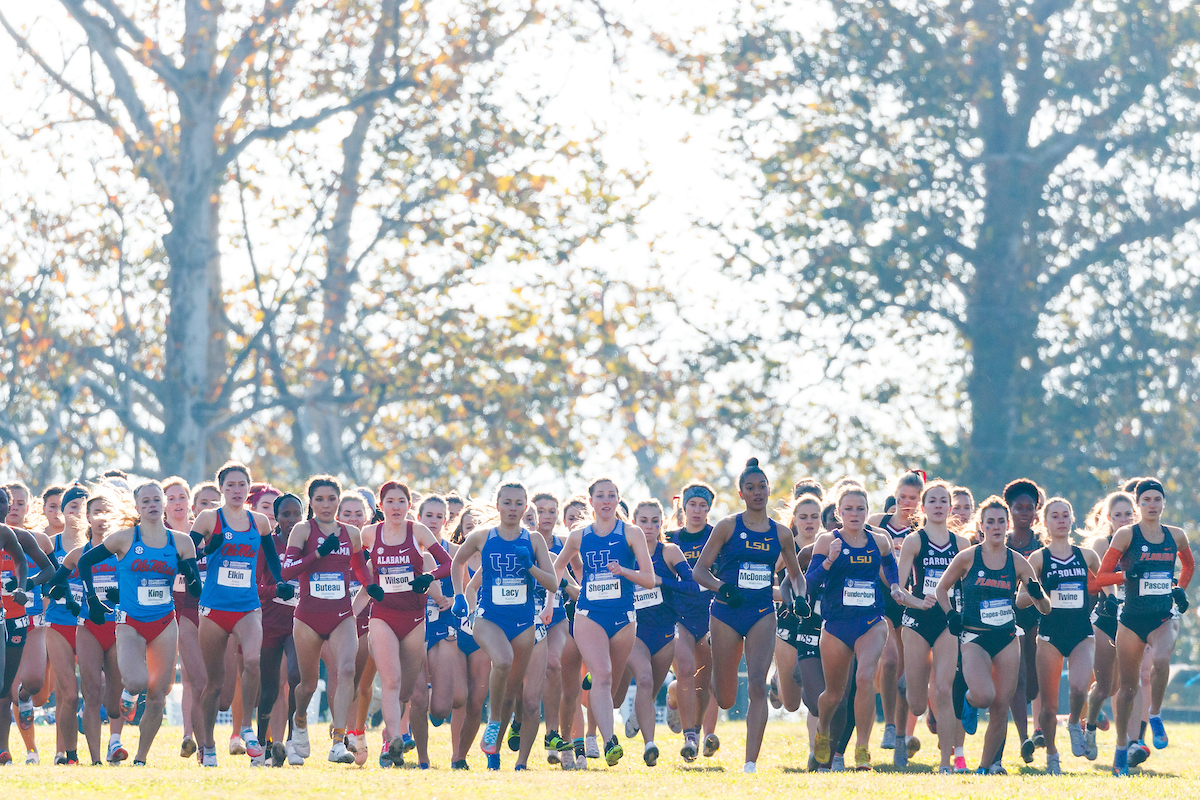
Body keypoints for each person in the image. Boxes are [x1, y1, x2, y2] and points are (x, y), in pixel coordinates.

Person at [75, 481, 202, 765]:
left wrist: (189, 573)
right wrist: (93, 599)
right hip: (130, 622)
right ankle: (128, 696)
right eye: (146, 502)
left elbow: (196, 591)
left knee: (158, 693)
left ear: (164, 504)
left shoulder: (181, 542)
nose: (152, 506)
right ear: (137, 507)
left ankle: (141, 758)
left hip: (164, 623)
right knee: (136, 681)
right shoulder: (124, 539)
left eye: (157, 500)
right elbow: (85, 563)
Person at [694, 459, 805, 773]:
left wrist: (799, 598)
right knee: (726, 697)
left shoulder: (782, 534)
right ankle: (699, 696)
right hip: (727, 612)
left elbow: (796, 576)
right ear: (741, 493)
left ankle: (750, 763)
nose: (757, 492)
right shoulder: (728, 526)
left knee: (756, 685)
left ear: (769, 489)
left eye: (762, 487)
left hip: (761, 613)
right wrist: (722, 588)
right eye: (750, 488)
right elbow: (700, 571)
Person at [937, 495, 1050, 774]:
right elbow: (941, 589)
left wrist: (1037, 594)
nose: (996, 526)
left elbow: (1045, 608)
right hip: (974, 638)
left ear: (1008, 525)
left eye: (1001, 521)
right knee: (985, 696)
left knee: (1001, 705)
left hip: (1007, 638)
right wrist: (951, 614)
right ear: (981, 526)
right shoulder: (967, 557)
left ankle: (984, 768)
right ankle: (969, 700)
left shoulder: (1018, 562)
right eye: (991, 522)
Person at [451, 483, 557, 770]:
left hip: (523, 623)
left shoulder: (534, 541)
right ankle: (494, 722)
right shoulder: (483, 536)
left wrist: (530, 568)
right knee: (503, 661)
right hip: (488, 618)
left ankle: (494, 752)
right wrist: (460, 597)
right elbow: (456, 563)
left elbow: (553, 583)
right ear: (497, 505)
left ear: (525, 507)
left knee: (512, 692)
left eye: (518, 503)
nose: (513, 508)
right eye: (507, 502)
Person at [554, 478, 656, 768]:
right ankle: (609, 741)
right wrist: (562, 592)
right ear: (592, 502)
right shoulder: (579, 535)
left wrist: (623, 570)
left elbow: (649, 580)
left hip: (624, 618)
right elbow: (557, 567)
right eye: (600, 496)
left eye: (612, 495)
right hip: (589, 615)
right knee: (603, 674)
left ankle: (596, 723)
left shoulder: (631, 533)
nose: (606, 500)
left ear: (618, 499)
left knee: (612, 689)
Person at [1094, 478, 1192, 776]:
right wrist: (1127, 575)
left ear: (1164, 504)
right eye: (1146, 500)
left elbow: (1188, 566)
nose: (1152, 505)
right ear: (1138, 505)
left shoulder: (1176, 536)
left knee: (1161, 660)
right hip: (1132, 617)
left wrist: (1179, 589)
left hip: (1164, 614)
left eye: (1157, 500)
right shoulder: (1125, 535)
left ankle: (1155, 714)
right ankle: (1122, 746)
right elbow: (1101, 576)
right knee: (1126, 689)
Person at [189, 463, 285, 766]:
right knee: (214, 684)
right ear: (221, 488)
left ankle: (246, 729)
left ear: (249, 487)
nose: (236, 490)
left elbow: (271, 558)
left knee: (253, 662)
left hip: (248, 606)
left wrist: (280, 582)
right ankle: (208, 745)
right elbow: (186, 558)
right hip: (213, 608)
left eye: (241, 484)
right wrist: (207, 551)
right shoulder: (208, 518)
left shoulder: (259, 522)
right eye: (230, 485)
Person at [807, 483, 903, 771]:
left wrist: (896, 585)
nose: (855, 514)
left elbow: (890, 565)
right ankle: (823, 733)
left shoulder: (880, 539)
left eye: (860, 508)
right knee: (834, 694)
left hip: (872, 621)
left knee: (864, 678)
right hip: (836, 625)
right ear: (838, 512)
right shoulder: (827, 541)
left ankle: (863, 748)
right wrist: (830, 561)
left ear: (867, 511)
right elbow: (810, 582)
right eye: (848, 509)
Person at [281, 475, 375, 765]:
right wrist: (319, 553)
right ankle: (298, 722)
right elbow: (287, 571)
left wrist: (372, 587)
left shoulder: (351, 533)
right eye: (319, 499)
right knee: (308, 685)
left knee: (347, 671)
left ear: (339, 499)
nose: (326, 504)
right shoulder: (302, 530)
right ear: (311, 501)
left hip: (341, 615)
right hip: (308, 617)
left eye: (331, 498)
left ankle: (338, 740)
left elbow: (359, 569)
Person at [361, 481, 451, 766]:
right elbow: (353, 561)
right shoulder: (369, 533)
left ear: (409, 506)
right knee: (390, 680)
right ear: (380, 505)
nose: (396, 507)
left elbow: (448, 562)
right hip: (383, 615)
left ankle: (391, 733)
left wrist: (430, 577)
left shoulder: (418, 531)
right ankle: (394, 740)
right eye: (390, 501)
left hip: (413, 618)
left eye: (401, 501)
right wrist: (368, 582)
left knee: (407, 688)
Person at [895, 480, 971, 772]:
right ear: (923, 508)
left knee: (945, 689)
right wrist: (917, 602)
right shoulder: (915, 541)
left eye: (943, 501)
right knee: (916, 704)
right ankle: (921, 694)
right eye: (933, 501)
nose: (938, 506)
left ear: (951, 508)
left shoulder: (962, 545)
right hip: (917, 621)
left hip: (947, 621)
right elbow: (899, 590)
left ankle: (945, 764)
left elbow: (968, 589)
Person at [1026, 497, 1100, 774]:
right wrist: (1037, 594)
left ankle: (1073, 724)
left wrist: (1113, 600)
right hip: (1050, 635)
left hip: (1082, 632)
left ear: (1072, 519)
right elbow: (1021, 598)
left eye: (1065, 515)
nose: (1060, 520)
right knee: (1048, 707)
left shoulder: (1087, 555)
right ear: (1045, 523)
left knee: (1080, 689)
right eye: (1054, 516)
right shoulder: (1038, 558)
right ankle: (1052, 755)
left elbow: (1105, 581)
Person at [620, 499, 695, 766]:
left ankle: (638, 716)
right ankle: (650, 745)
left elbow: (692, 586)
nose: (649, 527)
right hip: (634, 630)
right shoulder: (625, 552)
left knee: (649, 690)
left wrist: (659, 580)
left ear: (662, 523)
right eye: (643, 521)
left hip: (665, 631)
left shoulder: (670, 552)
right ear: (634, 523)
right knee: (644, 679)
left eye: (655, 521)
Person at [867, 470, 924, 758]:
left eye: (913, 499)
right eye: (902, 497)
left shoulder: (925, 529)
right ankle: (889, 724)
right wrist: (890, 580)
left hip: (913, 603)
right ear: (894, 494)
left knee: (904, 674)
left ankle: (901, 738)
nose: (907, 503)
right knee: (888, 660)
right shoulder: (878, 523)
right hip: (883, 599)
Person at [1, 482, 55, 766]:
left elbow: (52, 573)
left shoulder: (31, 539)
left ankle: (23, 698)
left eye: (19, 504)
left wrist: (29, 587)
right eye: (12, 503)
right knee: (5, 686)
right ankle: (16, 750)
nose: (13, 509)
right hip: (3, 621)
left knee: (33, 685)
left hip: (29, 620)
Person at [409, 494, 462, 769]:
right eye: (429, 515)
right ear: (419, 517)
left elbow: (469, 587)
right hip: (414, 624)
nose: (434, 521)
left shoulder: (453, 552)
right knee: (418, 699)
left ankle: (424, 692)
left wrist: (454, 599)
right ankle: (423, 758)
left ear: (446, 520)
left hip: (444, 625)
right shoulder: (406, 547)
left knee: (440, 708)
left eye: (439, 517)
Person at [666, 482, 718, 761]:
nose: (697, 510)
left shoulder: (717, 537)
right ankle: (690, 735)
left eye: (703, 505)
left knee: (705, 682)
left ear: (709, 509)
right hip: (679, 616)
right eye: (693, 504)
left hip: (711, 616)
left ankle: (701, 733)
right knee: (686, 671)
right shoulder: (670, 539)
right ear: (683, 507)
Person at [1082, 491, 1136, 759]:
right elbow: (1095, 582)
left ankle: (1126, 740)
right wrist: (1120, 581)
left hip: (1132, 620)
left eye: (1128, 514)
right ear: (1108, 518)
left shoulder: (1142, 542)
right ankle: (1090, 728)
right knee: (1104, 687)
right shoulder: (1102, 544)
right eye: (1118, 515)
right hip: (1105, 618)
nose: (1123, 519)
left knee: (1118, 687)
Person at [41, 485, 89, 765]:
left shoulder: (99, 546)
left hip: (89, 625)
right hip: (58, 622)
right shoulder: (52, 544)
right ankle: (64, 752)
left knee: (92, 691)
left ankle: (91, 742)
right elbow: (45, 584)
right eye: (72, 506)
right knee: (66, 693)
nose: (77, 512)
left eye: (82, 507)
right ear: (63, 510)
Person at [1003, 478, 1046, 766]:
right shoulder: (999, 541)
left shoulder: (1042, 545)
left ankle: (1040, 729)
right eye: (1018, 507)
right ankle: (1023, 740)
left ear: (1035, 511)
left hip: (1037, 617)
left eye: (1029, 508)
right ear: (1009, 509)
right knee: (1017, 680)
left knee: (1033, 682)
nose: (1023, 513)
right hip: (1004, 616)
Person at [258, 493, 303, 766]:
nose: (291, 519)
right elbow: (256, 585)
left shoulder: (309, 545)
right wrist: (277, 589)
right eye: (285, 514)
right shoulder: (268, 545)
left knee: (298, 677)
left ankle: (292, 741)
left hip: (299, 623)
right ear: (276, 517)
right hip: (269, 623)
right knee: (269, 689)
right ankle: (263, 745)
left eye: (296, 514)